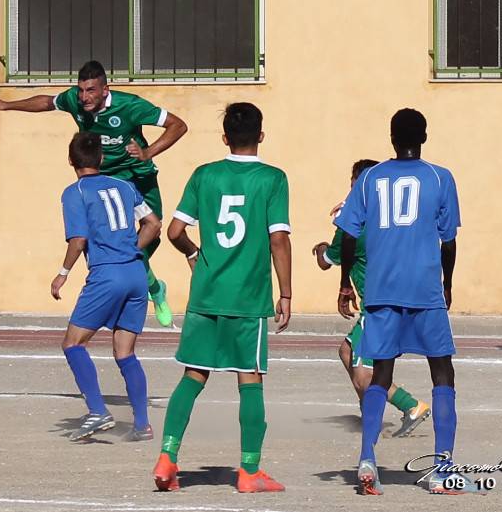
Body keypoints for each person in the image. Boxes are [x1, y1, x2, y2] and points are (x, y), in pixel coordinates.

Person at [0, 60, 187, 327]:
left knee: (152, 230)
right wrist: (6, 105)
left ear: (104, 89)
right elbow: (46, 103)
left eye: (90, 90)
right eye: (81, 90)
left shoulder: (131, 106)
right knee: (115, 240)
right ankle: (147, 289)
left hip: (138, 177)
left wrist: (147, 153)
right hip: (104, 179)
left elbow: (178, 125)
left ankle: (153, 288)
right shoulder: (74, 102)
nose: (84, 97)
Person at [152, 102, 291, 493]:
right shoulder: (273, 179)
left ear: (225, 137)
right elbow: (278, 238)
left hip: (206, 294)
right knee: (250, 380)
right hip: (247, 298)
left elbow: (175, 230)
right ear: (260, 135)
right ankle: (249, 472)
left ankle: (167, 457)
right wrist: (287, 293)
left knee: (193, 376)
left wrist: (194, 253)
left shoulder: (205, 175)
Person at [333, 108, 469, 495]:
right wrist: (448, 283)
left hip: (381, 292)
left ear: (391, 139)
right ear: (424, 137)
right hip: (424, 290)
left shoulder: (370, 178)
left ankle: (366, 460)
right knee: (442, 373)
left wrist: (345, 282)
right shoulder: (440, 177)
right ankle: (443, 468)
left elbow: (346, 232)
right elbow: (449, 240)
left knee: (381, 375)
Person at [50, 132, 162, 442]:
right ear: (101, 158)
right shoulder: (125, 187)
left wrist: (63, 273)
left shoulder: (76, 192)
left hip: (106, 275)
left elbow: (78, 239)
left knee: (73, 344)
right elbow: (153, 224)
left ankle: (98, 411)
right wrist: (132, 250)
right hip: (135, 274)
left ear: (71, 160)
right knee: (125, 352)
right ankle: (142, 424)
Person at [312, 159, 431, 436]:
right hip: (399, 297)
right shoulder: (389, 218)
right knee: (346, 351)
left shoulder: (351, 225)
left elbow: (328, 260)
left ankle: (411, 406)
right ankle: (371, 414)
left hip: (377, 306)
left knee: (365, 375)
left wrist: (322, 248)